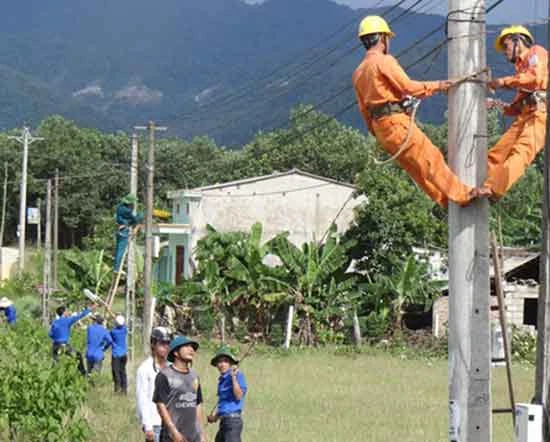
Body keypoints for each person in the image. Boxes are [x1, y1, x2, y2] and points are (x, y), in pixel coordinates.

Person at [352, 15, 486, 208]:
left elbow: (364, 109)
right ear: (382, 38)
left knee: (416, 169)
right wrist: (440, 85)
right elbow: (409, 87)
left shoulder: (358, 72)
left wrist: (378, 131)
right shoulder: (383, 61)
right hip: (395, 122)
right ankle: (462, 194)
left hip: (381, 129)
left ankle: (444, 201)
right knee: (430, 157)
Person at [482, 25, 548, 199]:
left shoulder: (536, 52)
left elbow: (536, 78)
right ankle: (479, 183)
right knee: (497, 153)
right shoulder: (520, 70)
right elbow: (515, 108)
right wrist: (496, 104)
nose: (505, 51)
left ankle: (494, 189)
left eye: (506, 45)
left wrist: (504, 82)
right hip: (526, 114)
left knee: (521, 151)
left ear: (518, 40)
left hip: (541, 114)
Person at [153, 336, 206, 442]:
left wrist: (201, 433)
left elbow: (198, 404)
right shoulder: (164, 375)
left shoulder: (194, 376)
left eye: (192, 347)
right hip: (172, 436)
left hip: (193, 436)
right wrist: (173, 431)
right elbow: (161, 406)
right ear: (176, 352)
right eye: (186, 346)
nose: (191, 350)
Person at [137, 327, 172, 442]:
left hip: (172, 423)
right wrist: (147, 426)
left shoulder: (172, 367)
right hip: (155, 423)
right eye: (162, 343)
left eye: (168, 343)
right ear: (153, 344)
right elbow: (142, 398)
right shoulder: (145, 369)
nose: (165, 347)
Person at [207, 347, 248, 442]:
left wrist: (233, 378)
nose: (222, 364)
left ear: (230, 363)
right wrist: (214, 418)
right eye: (219, 362)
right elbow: (224, 403)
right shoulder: (221, 380)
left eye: (225, 361)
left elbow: (239, 396)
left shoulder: (238, 375)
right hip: (224, 421)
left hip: (233, 421)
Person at [114, 194, 143, 273]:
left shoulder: (120, 207)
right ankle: (117, 268)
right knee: (121, 250)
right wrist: (139, 218)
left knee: (118, 250)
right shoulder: (127, 211)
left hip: (119, 229)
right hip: (124, 231)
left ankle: (116, 267)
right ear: (130, 203)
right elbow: (134, 220)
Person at [110, 314, 128, 394]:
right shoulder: (125, 330)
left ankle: (117, 388)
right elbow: (123, 325)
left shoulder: (113, 332)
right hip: (124, 354)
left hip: (116, 355)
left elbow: (110, 338)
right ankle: (124, 389)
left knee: (115, 372)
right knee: (122, 371)